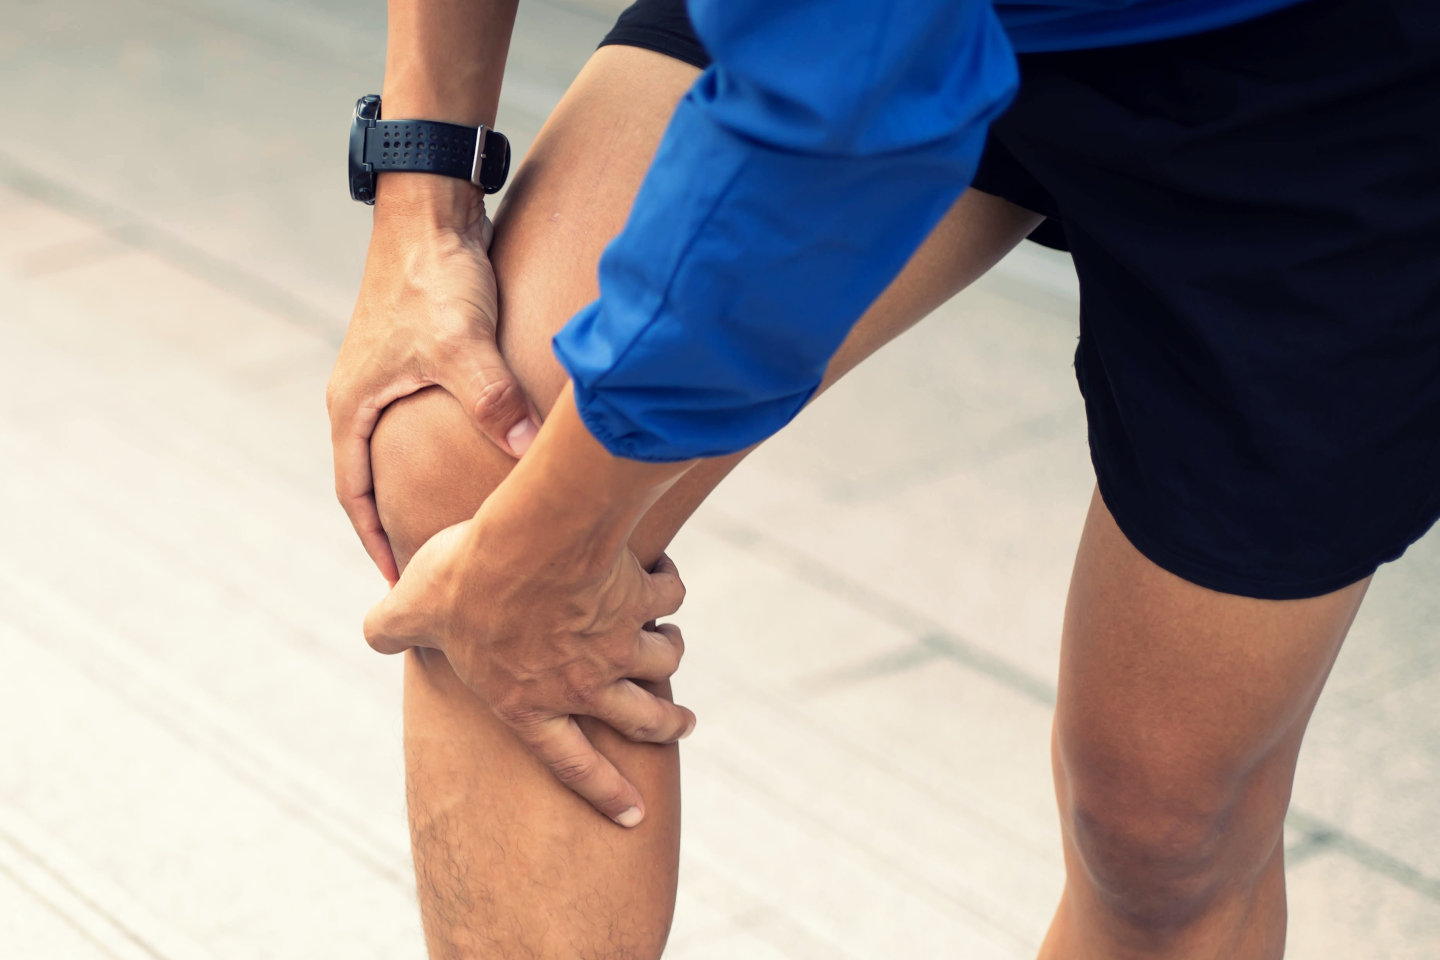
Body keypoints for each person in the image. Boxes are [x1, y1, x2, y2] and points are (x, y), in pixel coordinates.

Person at [325, 0, 1440, 956]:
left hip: (1317, 67)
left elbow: (848, 111)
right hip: (867, 36)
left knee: (1162, 826)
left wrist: (542, 556)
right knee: (467, 454)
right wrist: (422, 199)